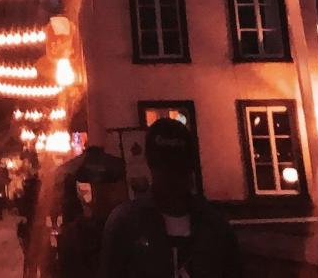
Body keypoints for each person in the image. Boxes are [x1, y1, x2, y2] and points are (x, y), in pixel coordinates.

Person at [100, 118, 241, 278]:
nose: (171, 176)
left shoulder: (216, 227)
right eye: (164, 167)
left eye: (177, 167)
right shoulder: (124, 223)